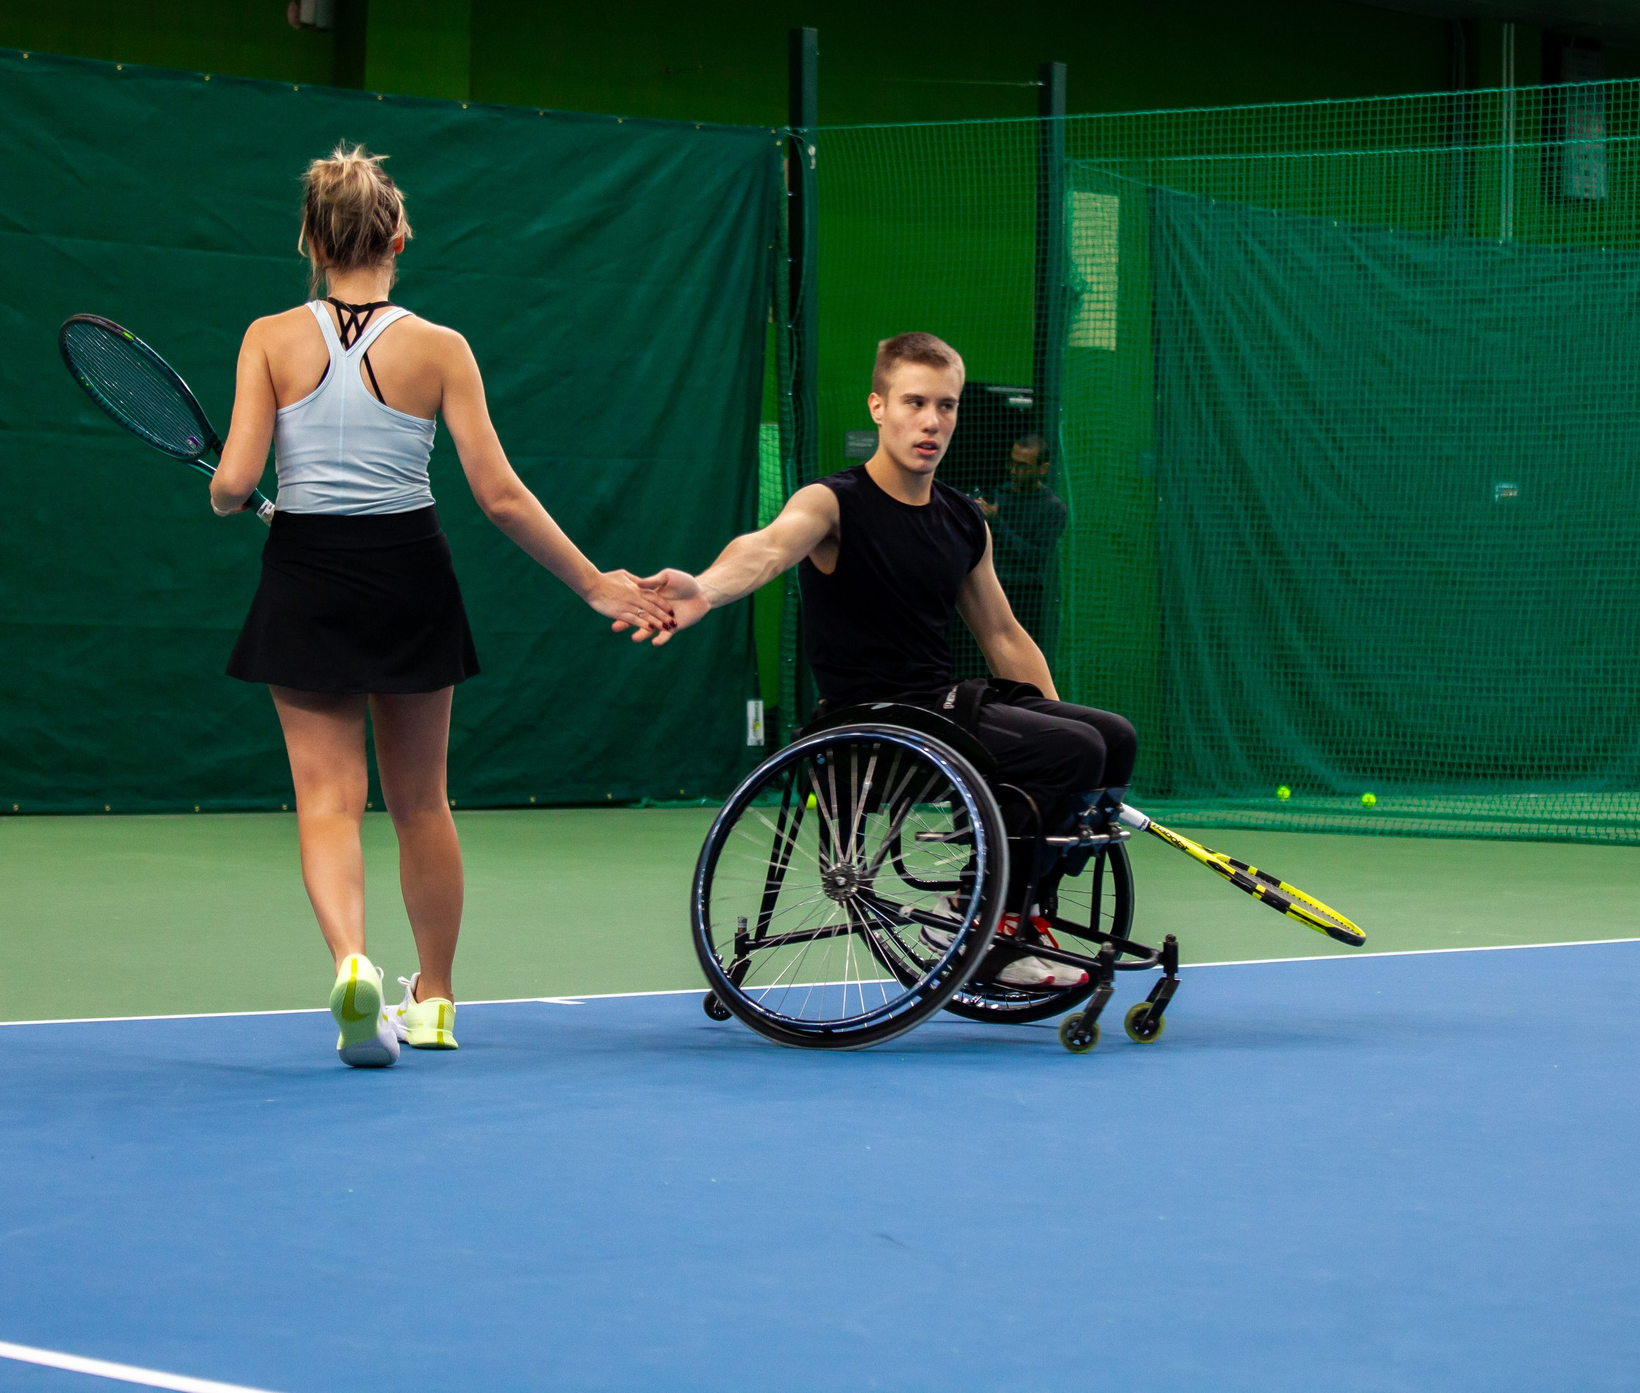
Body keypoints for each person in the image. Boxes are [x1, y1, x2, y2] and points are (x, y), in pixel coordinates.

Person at [210, 144, 670, 1067]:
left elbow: (234, 482)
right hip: (409, 572)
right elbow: (500, 496)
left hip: (304, 573)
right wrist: (595, 583)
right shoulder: (442, 348)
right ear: (400, 236)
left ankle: (352, 963)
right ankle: (437, 1000)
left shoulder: (267, 338)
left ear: (310, 237)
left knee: (328, 804)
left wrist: (227, 496)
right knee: (422, 802)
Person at [636, 332, 1134, 989]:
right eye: (914, 402)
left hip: (943, 711)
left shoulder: (961, 518)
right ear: (878, 406)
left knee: (1110, 739)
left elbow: (1004, 634)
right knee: (1073, 750)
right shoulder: (833, 503)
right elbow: (767, 548)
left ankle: (1017, 911)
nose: (931, 421)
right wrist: (704, 588)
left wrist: (1059, 733)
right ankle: (968, 912)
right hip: (869, 724)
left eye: (946, 406)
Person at [974, 432, 1066, 658]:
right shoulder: (998, 495)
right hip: (990, 590)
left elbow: (1035, 557)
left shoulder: (1053, 508)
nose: (1015, 471)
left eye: (1023, 466)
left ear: (1042, 469)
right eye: (1012, 464)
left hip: (1026, 598)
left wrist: (997, 524)